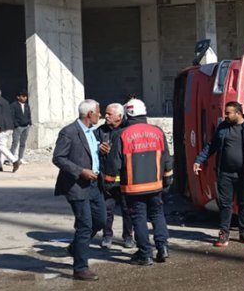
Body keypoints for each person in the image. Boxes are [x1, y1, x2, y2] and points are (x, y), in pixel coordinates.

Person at [104, 99, 173, 266]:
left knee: (139, 219)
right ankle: (162, 248)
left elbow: (114, 164)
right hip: (155, 185)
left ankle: (145, 254)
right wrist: (167, 180)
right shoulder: (157, 132)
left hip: (133, 188)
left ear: (127, 114)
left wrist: (109, 183)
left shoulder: (123, 135)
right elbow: (166, 159)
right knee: (158, 215)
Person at [193, 100, 244, 247]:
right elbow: (211, 146)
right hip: (226, 174)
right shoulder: (223, 127)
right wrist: (199, 160)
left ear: (238, 113)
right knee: (225, 205)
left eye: (228, 113)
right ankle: (224, 234)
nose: (225, 116)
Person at [53, 100, 106, 281]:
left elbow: (89, 153)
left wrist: (101, 150)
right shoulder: (69, 132)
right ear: (90, 113)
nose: (101, 115)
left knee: (100, 220)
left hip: (94, 185)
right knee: (85, 226)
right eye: (98, 111)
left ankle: (76, 247)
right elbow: (58, 158)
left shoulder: (92, 132)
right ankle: (80, 268)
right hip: (76, 186)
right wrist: (80, 171)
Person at [96, 102, 134, 250]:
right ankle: (107, 236)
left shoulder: (128, 129)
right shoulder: (101, 131)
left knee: (127, 209)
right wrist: (99, 148)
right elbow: (92, 146)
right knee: (107, 209)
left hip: (125, 177)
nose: (105, 116)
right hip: (107, 178)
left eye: (109, 114)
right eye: (105, 113)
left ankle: (128, 237)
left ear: (119, 116)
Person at [10, 90, 32, 170]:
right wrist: (16, 124)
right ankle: (11, 158)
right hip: (18, 127)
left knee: (23, 143)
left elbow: (29, 114)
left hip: (26, 126)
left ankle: (20, 158)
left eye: (25, 96)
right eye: (23, 96)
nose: (24, 98)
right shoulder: (14, 105)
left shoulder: (26, 105)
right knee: (15, 142)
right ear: (18, 97)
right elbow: (12, 116)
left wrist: (29, 122)